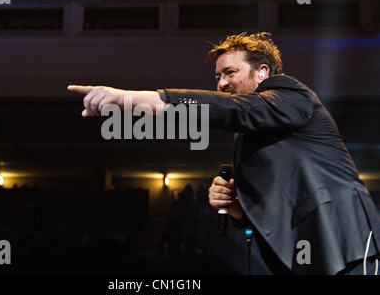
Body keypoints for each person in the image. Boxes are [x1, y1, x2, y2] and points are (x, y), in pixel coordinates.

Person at [67, 32, 379, 275]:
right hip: (307, 256)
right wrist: (235, 207)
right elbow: (277, 204)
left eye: (230, 72)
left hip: (345, 242)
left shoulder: (291, 94)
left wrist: (130, 99)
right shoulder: (255, 133)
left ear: (263, 72)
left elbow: (230, 110)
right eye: (217, 77)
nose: (221, 83)